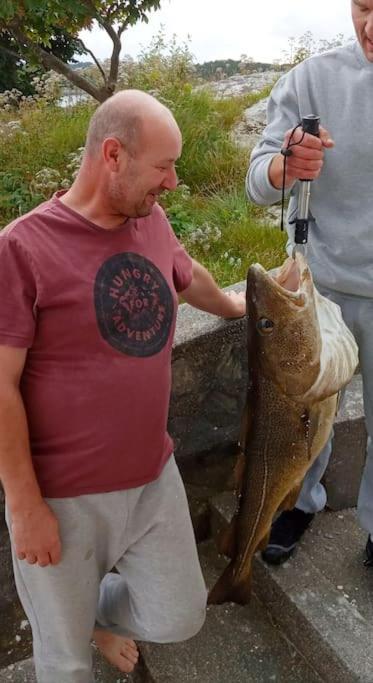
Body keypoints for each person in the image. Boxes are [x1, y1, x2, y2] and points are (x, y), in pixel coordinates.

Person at [0, 89, 246, 682]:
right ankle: (80, 621)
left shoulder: (151, 220)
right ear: (113, 154)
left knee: (180, 615)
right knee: (63, 665)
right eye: (163, 166)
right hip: (64, 495)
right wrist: (24, 505)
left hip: (151, 478)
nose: (173, 182)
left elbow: (187, 275)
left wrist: (240, 305)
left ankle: (91, 610)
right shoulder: (21, 248)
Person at [246, 0, 373, 565]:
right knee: (304, 415)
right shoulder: (314, 79)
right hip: (321, 292)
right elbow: (257, 181)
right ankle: (299, 502)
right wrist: (285, 165)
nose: (369, 26)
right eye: (363, 8)